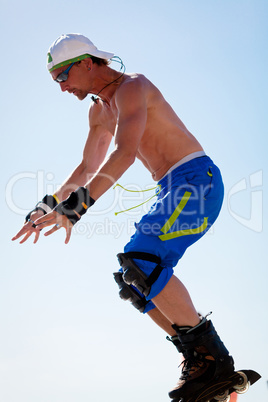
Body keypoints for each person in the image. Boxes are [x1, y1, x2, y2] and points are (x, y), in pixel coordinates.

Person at [12, 33, 235, 400]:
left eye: (63, 76)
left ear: (86, 62)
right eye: (56, 81)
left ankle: (215, 363)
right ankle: (201, 363)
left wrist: (76, 209)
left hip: (196, 180)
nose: (62, 86)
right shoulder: (99, 111)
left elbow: (124, 153)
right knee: (131, 279)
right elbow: (87, 166)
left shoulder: (133, 87)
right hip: (172, 189)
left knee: (141, 261)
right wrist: (48, 205)